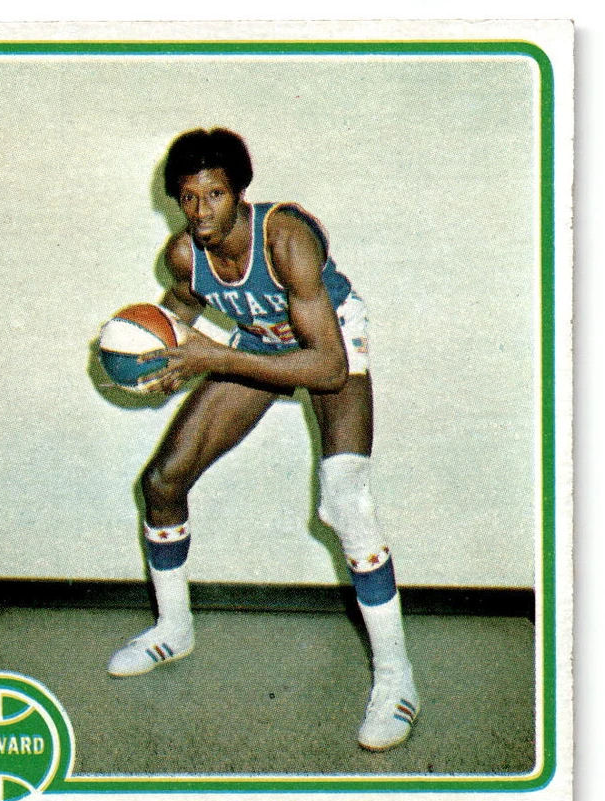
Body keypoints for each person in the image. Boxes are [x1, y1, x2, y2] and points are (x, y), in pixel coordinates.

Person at [100, 128, 419, 752]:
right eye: (188, 198)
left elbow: (326, 367)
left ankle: (395, 677)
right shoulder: (185, 255)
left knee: (346, 503)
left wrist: (215, 358)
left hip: (330, 343)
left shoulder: (285, 238)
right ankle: (173, 629)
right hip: (260, 343)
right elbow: (178, 314)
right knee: (162, 482)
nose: (201, 211)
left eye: (215, 195)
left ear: (240, 192)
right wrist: (157, 359)